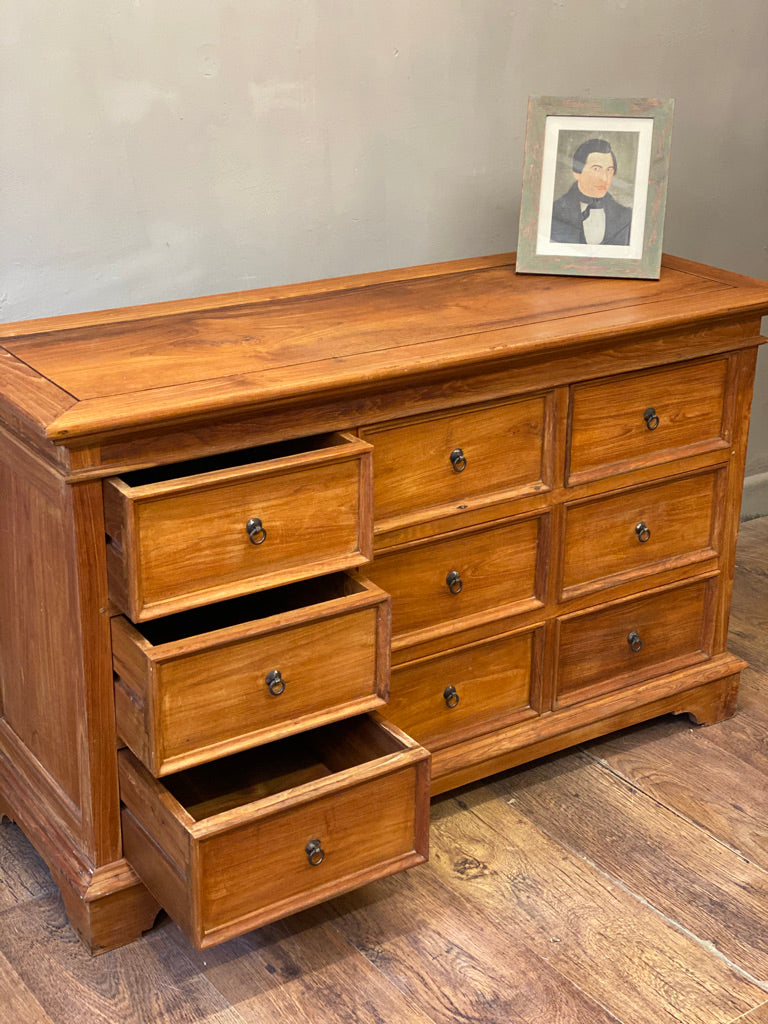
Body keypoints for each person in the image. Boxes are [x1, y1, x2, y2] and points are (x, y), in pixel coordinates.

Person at [550, 138, 632, 245]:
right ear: (577, 173)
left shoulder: (625, 216)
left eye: (609, 170)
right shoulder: (554, 212)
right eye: (596, 169)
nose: (604, 178)